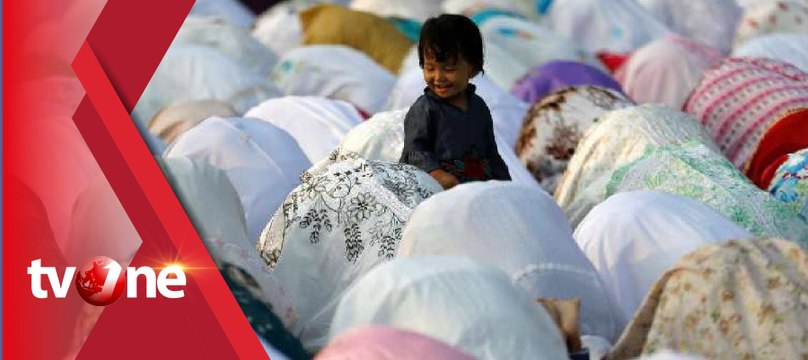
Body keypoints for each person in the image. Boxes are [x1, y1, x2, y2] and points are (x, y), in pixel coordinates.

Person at [400, 14, 510, 189]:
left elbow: (491, 153)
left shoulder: (479, 108)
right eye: (430, 68)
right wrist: (436, 174)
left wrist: (505, 184)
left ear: (472, 69)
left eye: (449, 69)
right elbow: (416, 151)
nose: (438, 77)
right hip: (433, 188)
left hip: (476, 187)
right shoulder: (425, 109)